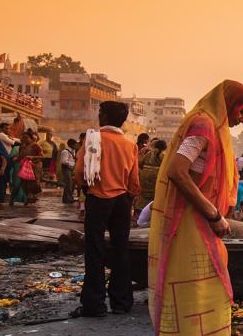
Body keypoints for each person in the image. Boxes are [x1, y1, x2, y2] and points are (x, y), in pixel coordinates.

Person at [147, 80, 243, 336]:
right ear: (228, 103)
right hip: (191, 226)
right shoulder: (203, 125)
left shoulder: (213, 128)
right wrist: (211, 212)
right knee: (191, 299)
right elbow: (178, 172)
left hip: (203, 227)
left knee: (208, 298)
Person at [74, 100, 141, 318]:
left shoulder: (93, 139)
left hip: (98, 197)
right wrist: (128, 200)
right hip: (122, 199)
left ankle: (94, 304)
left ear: (103, 116)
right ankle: (121, 301)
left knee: (94, 250)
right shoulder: (130, 144)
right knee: (120, 249)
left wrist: (87, 189)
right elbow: (134, 182)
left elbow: (79, 173)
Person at [136, 139, 167, 214]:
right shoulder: (164, 156)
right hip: (157, 179)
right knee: (154, 197)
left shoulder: (149, 153)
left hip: (145, 177)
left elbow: (139, 163)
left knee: (143, 196)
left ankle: (138, 215)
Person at [19, 133, 43, 205]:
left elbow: (42, 156)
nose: (25, 139)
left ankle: (31, 198)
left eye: (26, 138)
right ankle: (28, 197)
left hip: (34, 166)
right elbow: (20, 155)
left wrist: (32, 157)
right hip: (24, 167)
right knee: (24, 183)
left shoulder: (36, 146)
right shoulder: (22, 146)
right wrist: (16, 158)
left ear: (31, 138)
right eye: (23, 138)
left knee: (33, 183)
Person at [58, 139, 78, 204]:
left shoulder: (73, 151)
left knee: (70, 184)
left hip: (70, 169)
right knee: (68, 184)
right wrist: (72, 164)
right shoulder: (65, 151)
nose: (76, 145)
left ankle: (67, 198)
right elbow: (63, 161)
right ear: (71, 145)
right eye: (75, 144)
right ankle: (68, 199)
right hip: (66, 169)